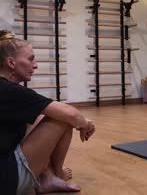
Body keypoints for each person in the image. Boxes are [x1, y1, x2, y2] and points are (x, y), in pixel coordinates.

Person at [0, 30, 96, 194]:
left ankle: (47, 177)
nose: (35, 65)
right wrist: (86, 124)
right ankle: (55, 176)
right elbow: (70, 114)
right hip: (6, 180)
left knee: (39, 116)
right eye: (30, 59)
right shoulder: (8, 90)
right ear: (11, 62)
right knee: (63, 118)